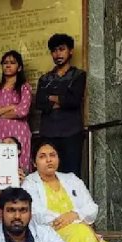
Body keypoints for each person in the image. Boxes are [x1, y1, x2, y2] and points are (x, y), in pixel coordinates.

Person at [22, 142, 122, 242]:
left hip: (81, 231)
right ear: (34, 162)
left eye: (53, 155)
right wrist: (75, 220)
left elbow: (92, 207)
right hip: (52, 233)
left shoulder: (71, 179)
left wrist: (75, 214)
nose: (49, 160)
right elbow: (38, 214)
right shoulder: (30, 183)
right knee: (80, 233)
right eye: (42, 156)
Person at [35, 34, 86, 176]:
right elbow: (40, 103)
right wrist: (62, 99)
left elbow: (74, 101)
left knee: (71, 175)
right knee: (49, 174)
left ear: (70, 51)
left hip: (71, 133)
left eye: (61, 49)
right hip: (49, 133)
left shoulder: (78, 75)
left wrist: (51, 98)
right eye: (54, 51)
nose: (58, 54)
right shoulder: (45, 79)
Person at [0, 50, 32, 171]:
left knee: (19, 168)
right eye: (5, 63)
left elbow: (22, 111)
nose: (8, 65)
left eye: (12, 63)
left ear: (19, 67)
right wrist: (10, 107)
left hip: (19, 133)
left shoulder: (24, 88)